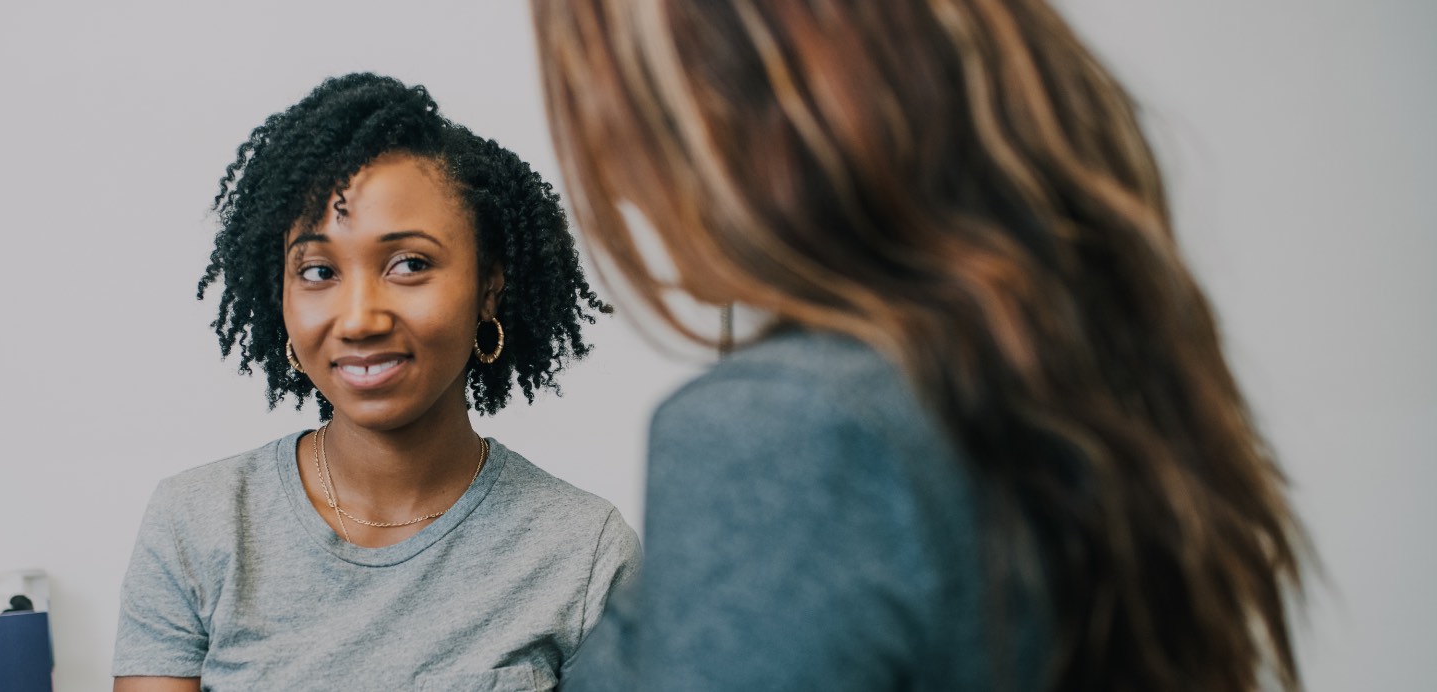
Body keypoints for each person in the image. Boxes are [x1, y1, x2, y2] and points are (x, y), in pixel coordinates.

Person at [531, 1, 1307, 690]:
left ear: (761, 107)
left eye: (629, 115)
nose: (623, 185)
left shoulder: (789, 428)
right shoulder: (1078, 376)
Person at [112, 73, 638, 691]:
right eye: (317, 270)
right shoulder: (197, 523)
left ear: (488, 287)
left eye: (409, 264)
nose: (360, 318)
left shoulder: (583, 553)